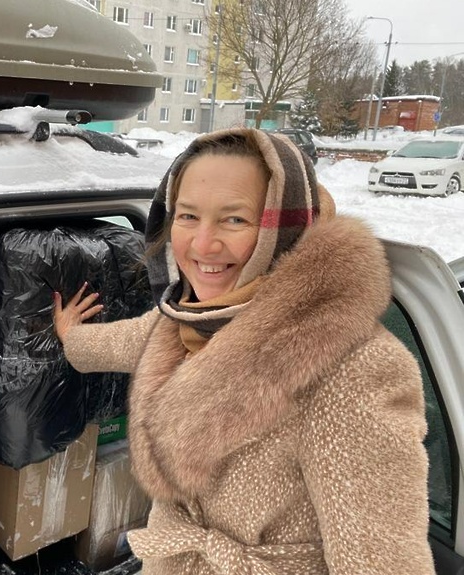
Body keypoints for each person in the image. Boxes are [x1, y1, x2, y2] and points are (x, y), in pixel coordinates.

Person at [53, 128, 433, 574]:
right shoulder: (189, 318)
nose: (202, 245)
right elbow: (130, 341)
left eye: (234, 219)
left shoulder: (354, 371)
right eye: (188, 216)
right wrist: (72, 336)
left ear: (285, 228)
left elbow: (385, 562)